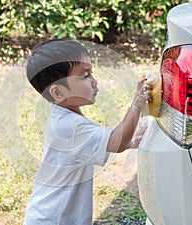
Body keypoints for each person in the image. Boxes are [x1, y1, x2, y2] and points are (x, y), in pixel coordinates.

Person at [23, 39, 152, 225]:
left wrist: (131, 141)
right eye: (85, 76)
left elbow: (104, 143)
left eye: (92, 74)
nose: (94, 82)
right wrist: (137, 103)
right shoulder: (68, 127)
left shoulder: (64, 115)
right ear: (58, 92)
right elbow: (117, 142)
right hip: (53, 219)